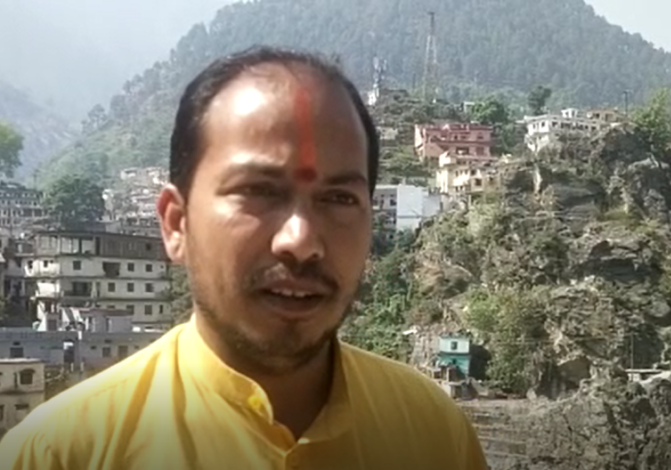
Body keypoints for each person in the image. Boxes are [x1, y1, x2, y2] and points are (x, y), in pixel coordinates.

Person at [0, 47, 489, 469]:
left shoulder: (433, 435)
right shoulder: (60, 453)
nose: (300, 240)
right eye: (258, 191)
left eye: (339, 199)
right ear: (176, 223)